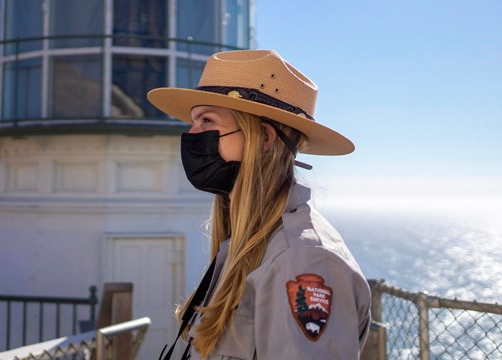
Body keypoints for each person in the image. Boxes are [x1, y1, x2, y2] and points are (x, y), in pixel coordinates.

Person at [148, 50, 371, 359]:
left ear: (264, 139)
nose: (191, 134)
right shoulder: (247, 246)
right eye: (193, 122)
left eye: (207, 121)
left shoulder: (304, 260)